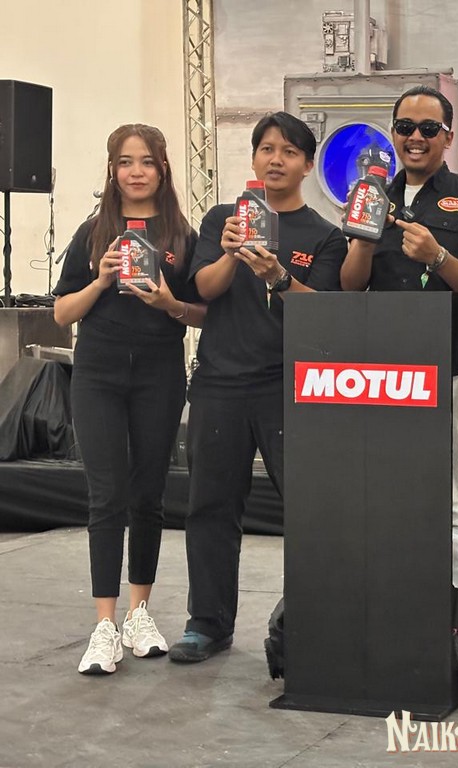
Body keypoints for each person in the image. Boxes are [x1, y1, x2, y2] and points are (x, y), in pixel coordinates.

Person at [168, 112, 346, 662]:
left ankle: (307, 624)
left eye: (289, 151)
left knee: (309, 509)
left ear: (307, 165)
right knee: (210, 507)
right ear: (252, 158)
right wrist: (230, 252)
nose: (276, 160)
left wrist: (278, 276)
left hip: (288, 388)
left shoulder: (324, 235)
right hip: (219, 384)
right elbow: (203, 288)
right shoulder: (223, 218)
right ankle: (208, 624)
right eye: (266, 149)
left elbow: (326, 316)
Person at [341, 86, 458, 624]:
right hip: (385, 372)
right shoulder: (372, 196)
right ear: (392, 134)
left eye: (428, 129)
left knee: (446, 497)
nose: (415, 137)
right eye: (405, 127)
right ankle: (396, 612)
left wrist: (438, 256)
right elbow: (350, 285)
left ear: (447, 138)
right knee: (387, 495)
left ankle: (451, 623)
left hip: (449, 364)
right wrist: (364, 241)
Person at [53, 124, 205, 674]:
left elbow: (203, 313)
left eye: (146, 161)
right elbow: (62, 313)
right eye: (124, 161)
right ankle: (104, 625)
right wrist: (99, 281)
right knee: (106, 495)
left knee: (148, 493)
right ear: (112, 170)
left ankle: (140, 612)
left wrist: (168, 303)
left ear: (163, 169)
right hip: (98, 373)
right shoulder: (93, 233)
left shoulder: (182, 236)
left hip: (159, 374)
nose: (135, 171)